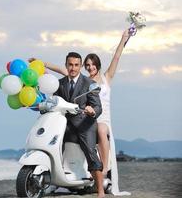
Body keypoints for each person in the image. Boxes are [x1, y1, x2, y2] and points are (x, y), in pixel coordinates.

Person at [36, 29, 131, 196]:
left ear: (98, 65)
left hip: (97, 118)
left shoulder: (103, 79)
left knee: (99, 131)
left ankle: (103, 174)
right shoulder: (73, 79)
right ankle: (55, 175)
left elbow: (116, 58)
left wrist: (124, 39)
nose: (90, 67)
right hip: (74, 118)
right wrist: (42, 64)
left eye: (92, 64)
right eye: (87, 65)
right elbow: (59, 78)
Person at [53, 52, 105, 198]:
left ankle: (100, 190)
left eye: (76, 65)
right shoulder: (60, 83)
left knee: (90, 150)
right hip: (65, 123)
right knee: (53, 143)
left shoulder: (89, 84)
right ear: (66, 65)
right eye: (70, 65)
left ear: (81, 66)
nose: (73, 68)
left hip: (85, 123)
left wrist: (92, 111)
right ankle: (56, 180)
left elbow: (98, 107)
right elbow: (54, 101)